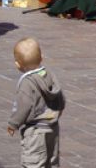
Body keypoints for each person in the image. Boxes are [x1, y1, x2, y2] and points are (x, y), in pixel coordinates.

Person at [8, 38, 65, 167]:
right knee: (52, 161)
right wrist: (59, 110)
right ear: (41, 58)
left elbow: (23, 107)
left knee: (34, 163)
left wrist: (13, 124)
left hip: (35, 131)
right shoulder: (49, 74)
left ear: (18, 64)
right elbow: (59, 95)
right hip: (52, 127)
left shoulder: (27, 83)